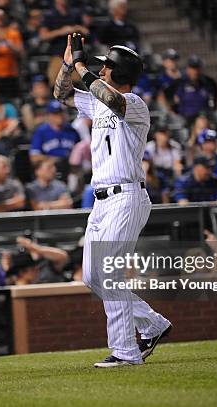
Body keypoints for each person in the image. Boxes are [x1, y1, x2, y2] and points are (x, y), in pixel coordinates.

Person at [54, 33, 172, 367]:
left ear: (117, 73)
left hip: (126, 196)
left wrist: (80, 66)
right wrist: (67, 64)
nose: (102, 70)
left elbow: (111, 99)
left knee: (108, 273)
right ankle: (152, 324)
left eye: (107, 67)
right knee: (93, 276)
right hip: (102, 201)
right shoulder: (97, 100)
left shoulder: (134, 103)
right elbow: (61, 94)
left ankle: (125, 351)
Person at [40, 0, 88, 85]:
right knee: (55, 84)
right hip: (57, 56)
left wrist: (78, 28)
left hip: (75, 57)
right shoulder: (49, 15)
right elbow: (43, 36)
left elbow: (86, 32)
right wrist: (61, 31)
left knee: (78, 85)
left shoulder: (75, 13)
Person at [29, 100, 80, 165]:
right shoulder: (41, 132)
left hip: (70, 167)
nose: (60, 116)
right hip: (50, 167)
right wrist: (54, 159)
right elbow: (34, 157)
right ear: (49, 115)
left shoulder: (72, 131)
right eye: (56, 114)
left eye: (61, 113)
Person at [174, 56, 217, 124]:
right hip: (185, 119)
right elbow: (174, 102)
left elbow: (214, 101)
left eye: (198, 68)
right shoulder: (180, 83)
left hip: (205, 118)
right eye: (193, 68)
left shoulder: (209, 83)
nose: (195, 71)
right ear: (187, 69)